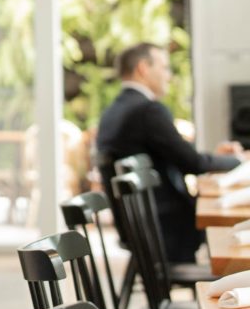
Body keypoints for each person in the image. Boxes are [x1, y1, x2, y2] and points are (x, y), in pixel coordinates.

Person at [95, 42, 245, 264]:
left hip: (143, 229)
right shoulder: (147, 110)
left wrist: (216, 157)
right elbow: (192, 164)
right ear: (143, 68)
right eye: (164, 68)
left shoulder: (113, 111)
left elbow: (182, 158)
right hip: (168, 228)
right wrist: (239, 160)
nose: (169, 75)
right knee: (237, 228)